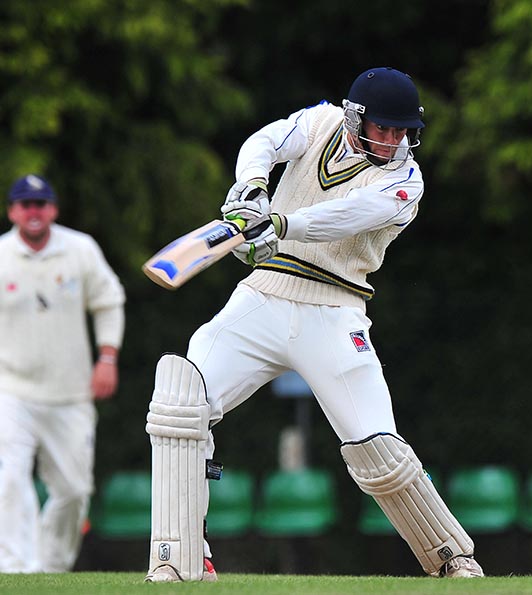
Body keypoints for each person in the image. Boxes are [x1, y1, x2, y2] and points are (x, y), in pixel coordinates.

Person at [144, 67, 484, 582]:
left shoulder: (405, 182)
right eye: (383, 128)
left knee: (378, 449)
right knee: (181, 402)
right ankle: (180, 557)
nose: (392, 140)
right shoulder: (321, 121)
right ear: (354, 118)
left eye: (402, 131)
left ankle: (451, 559)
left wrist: (278, 224)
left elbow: (347, 216)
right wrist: (251, 188)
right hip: (262, 297)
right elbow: (264, 141)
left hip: (335, 310)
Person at [0, 174, 126, 573]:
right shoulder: (2, 255)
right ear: (13, 212)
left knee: (74, 490)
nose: (33, 212)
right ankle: (15, 566)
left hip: (70, 392)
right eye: (25, 205)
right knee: (9, 478)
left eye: (40, 204)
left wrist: (107, 358)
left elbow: (108, 301)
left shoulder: (80, 249)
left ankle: (51, 567)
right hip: (12, 389)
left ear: (52, 209)